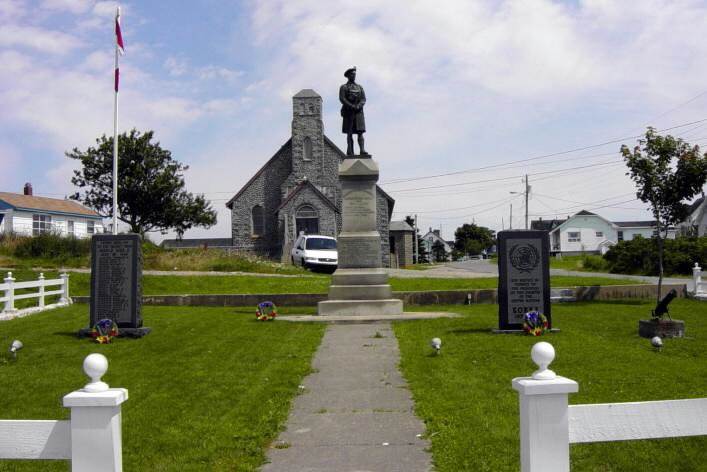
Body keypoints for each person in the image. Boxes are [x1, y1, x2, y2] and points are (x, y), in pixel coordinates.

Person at [339, 67, 367, 156]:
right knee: (349, 133)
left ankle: (362, 150)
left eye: (354, 74)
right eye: (352, 74)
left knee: (360, 132)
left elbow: (363, 99)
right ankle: (350, 151)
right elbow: (342, 98)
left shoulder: (360, 87)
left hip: (358, 113)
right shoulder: (344, 87)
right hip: (348, 113)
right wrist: (351, 106)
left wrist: (358, 106)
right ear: (348, 76)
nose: (354, 75)